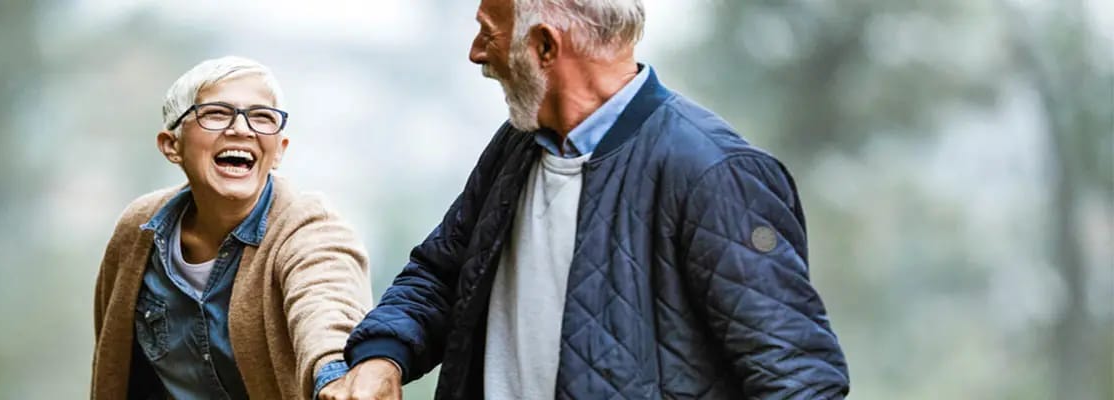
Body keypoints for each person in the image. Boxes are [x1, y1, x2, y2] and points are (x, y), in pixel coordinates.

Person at [321, 0, 849, 398]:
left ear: (546, 47)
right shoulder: (517, 145)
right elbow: (442, 275)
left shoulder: (715, 173)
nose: (477, 53)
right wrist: (382, 359)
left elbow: (798, 380)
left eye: (488, 33)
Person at [90, 56, 372, 400]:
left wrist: (334, 373)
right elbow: (113, 360)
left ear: (280, 150)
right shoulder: (138, 231)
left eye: (262, 117)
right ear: (171, 145)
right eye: (216, 113)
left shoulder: (310, 228)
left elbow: (328, 305)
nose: (241, 129)